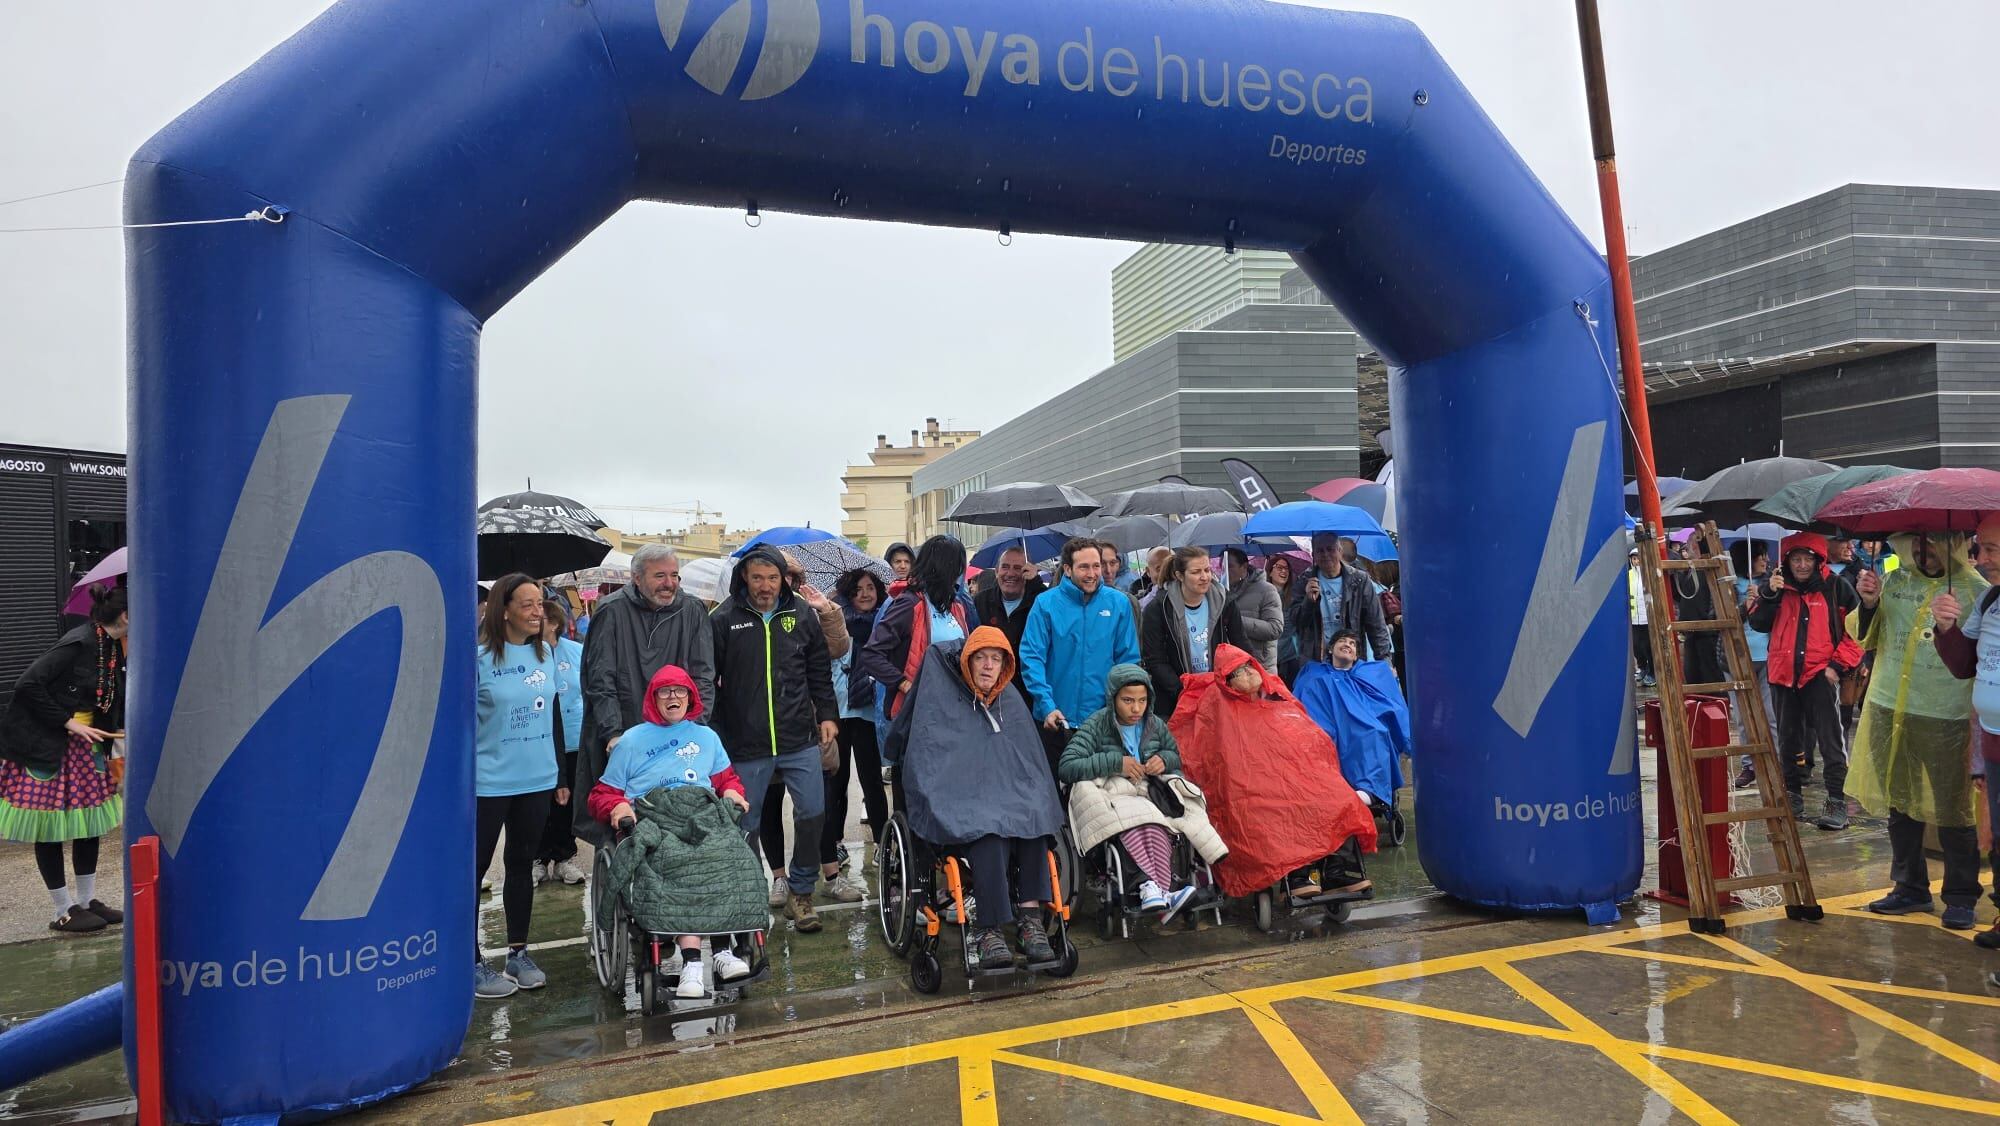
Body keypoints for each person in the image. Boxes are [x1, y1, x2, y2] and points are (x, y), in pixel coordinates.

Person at [884, 626, 1067, 971]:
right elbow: (928, 759)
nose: (987, 666)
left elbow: (1029, 762)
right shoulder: (944, 698)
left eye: (995, 659)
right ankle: (988, 929)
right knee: (990, 833)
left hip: (1008, 798)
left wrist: (1033, 799)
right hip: (960, 802)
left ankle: (1030, 922)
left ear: (1005, 665)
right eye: (980, 658)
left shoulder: (1009, 700)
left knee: (1033, 827)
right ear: (967, 661)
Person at [587, 664, 758, 997]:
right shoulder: (632, 740)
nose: (673, 697)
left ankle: (723, 953)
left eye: (680, 691)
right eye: (665, 691)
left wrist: (733, 792)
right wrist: (617, 806)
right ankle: (692, 962)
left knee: (731, 855)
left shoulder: (707, 737)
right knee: (677, 864)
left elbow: (727, 780)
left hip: (703, 813)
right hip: (656, 814)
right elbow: (602, 794)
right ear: (654, 698)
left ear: (691, 697)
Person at [1848, 533, 1989, 930]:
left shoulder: (1976, 592)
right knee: (1900, 800)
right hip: (1890, 706)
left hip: (1946, 714)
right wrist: (1869, 603)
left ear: (1954, 544)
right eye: (1916, 543)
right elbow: (1866, 636)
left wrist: (1951, 624)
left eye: (1933, 542)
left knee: (1952, 808)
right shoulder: (1895, 582)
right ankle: (1909, 886)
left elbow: (1979, 658)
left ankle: (1961, 895)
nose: (1923, 551)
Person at [1171, 645, 1375, 900]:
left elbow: (1305, 730)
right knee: (1279, 808)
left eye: (1248, 668)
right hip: (1249, 782)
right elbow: (1211, 752)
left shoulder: (1273, 692)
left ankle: (1338, 868)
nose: (1246, 675)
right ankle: (1298, 873)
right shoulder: (1215, 700)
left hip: (1293, 770)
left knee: (1338, 799)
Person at [710, 547, 841, 934]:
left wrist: (828, 714)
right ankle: (751, 897)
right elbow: (708, 679)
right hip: (745, 741)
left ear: (783, 578)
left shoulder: (801, 614)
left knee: (813, 813)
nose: (765, 587)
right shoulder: (722, 619)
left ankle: (801, 894)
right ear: (744, 579)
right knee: (744, 824)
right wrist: (716, 732)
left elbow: (819, 669)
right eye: (757, 578)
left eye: (772, 578)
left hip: (798, 735)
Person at [0, 586, 128, 933]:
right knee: (50, 828)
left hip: (85, 749)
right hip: (50, 745)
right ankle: (63, 910)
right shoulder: (78, 643)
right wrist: (68, 721)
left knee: (89, 826)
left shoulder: (111, 645)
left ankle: (87, 901)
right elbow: (28, 684)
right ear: (127, 617)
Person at [1058, 664, 1227, 921]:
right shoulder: (1096, 725)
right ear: (1113, 698)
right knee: (1140, 820)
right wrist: (1116, 763)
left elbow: (1174, 756)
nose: (1136, 708)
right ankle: (1156, 887)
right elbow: (1068, 766)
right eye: (1127, 701)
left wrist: (1163, 759)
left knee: (1157, 822)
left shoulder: (1155, 724)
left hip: (1148, 793)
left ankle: (1158, 890)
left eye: (1142, 701)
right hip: (1114, 794)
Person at [574, 544, 716, 847]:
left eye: (674, 575)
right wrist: (612, 732)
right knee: (625, 821)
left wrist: (696, 726)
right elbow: (600, 678)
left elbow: (704, 675)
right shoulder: (611, 611)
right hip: (627, 731)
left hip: (678, 732)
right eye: (660, 575)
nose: (669, 584)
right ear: (636, 578)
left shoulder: (692, 610)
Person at [472, 574, 566, 999]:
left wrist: (561, 775)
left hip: (538, 779)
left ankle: (518, 953)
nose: (537, 611)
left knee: (521, 864)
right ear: (503, 609)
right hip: (489, 782)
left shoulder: (546, 655)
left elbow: (555, 717)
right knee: (472, 873)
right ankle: (471, 961)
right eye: (526, 604)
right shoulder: (477, 661)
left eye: (540, 603)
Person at [753, 552, 851, 906]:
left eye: (793, 576)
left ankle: (829, 874)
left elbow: (838, 649)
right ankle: (779, 878)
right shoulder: (740, 613)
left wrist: (827, 611)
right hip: (761, 731)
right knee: (768, 806)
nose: (787, 583)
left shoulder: (805, 611)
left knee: (816, 806)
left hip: (807, 725)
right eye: (783, 576)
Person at [1745, 534, 1862, 827]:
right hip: (1782, 675)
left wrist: (1836, 666)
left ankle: (1836, 801)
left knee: (1831, 740)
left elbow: (1859, 631)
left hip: (1820, 674)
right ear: (1786, 561)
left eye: (1807, 559)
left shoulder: (1837, 587)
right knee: (1788, 739)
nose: (1801, 565)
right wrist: (1768, 594)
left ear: (1818, 560)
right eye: (1795, 559)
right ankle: (1792, 795)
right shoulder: (1775, 586)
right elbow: (1758, 623)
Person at [1929, 514, 2000, 949]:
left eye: (1991, 548)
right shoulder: (1990, 600)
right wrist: (1946, 626)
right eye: (1979, 548)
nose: (1981, 558)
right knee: (1997, 838)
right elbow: (1963, 665)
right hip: (1993, 739)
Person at [1019, 537, 1142, 769]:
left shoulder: (1119, 603)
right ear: (1067, 569)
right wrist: (1046, 705)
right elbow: (1032, 658)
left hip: (1103, 722)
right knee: (1057, 795)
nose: (1093, 573)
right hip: (1055, 720)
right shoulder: (1045, 604)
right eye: (1084, 567)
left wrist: (1123, 709)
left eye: (1096, 566)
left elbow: (1128, 662)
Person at [820, 567, 891, 901]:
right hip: (836, 712)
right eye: (858, 589)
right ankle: (835, 844)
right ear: (848, 594)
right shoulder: (834, 621)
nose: (865, 594)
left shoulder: (885, 621)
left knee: (872, 781)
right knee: (836, 781)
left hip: (866, 712)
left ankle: (881, 842)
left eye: (870, 588)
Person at [1141, 547, 1248, 718]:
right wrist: (1183, 691)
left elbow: (1241, 645)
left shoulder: (1224, 601)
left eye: (1207, 570)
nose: (1204, 577)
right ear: (1179, 575)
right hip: (1175, 699)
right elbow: (1154, 659)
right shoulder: (1158, 608)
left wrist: (1241, 677)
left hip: (1218, 693)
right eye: (1196, 572)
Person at [535, 598, 588, 885]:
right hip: (539, 741)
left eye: (540, 618)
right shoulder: (527, 655)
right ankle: (539, 859)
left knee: (568, 802)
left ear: (553, 624)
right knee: (541, 802)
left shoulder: (577, 652)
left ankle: (565, 857)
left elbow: (588, 691)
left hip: (573, 739)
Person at [1293, 532, 1393, 666]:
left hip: (1350, 660)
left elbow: (1376, 624)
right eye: (1320, 550)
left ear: (1340, 551)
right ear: (1313, 555)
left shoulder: (1360, 580)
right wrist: (1308, 601)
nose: (1325, 554)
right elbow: (1296, 622)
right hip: (1316, 661)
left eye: (1330, 549)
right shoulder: (1305, 580)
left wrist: (1385, 663)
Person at [972, 545, 1047, 703]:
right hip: (989, 693)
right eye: (1005, 567)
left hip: (1029, 693)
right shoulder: (980, 602)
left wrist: (1036, 583)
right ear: (996, 571)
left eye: (1018, 568)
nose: (1010, 573)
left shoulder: (1039, 603)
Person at [1727, 543, 1775, 790]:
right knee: (1744, 717)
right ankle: (1749, 766)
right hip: (1737, 658)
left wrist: (1766, 597)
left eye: (1766, 556)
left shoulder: (1772, 582)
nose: (1766, 560)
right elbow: (1718, 618)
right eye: (1760, 556)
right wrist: (1742, 607)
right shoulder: (1728, 583)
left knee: (1770, 715)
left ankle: (1774, 764)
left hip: (1768, 658)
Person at [1220, 549, 1284, 673]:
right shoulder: (1222, 593)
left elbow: (1275, 628)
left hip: (1260, 667)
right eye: (1222, 567)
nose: (1225, 572)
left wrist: (1236, 621)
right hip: (1233, 667)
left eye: (1230, 567)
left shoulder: (1266, 590)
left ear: (1244, 567)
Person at [1264, 554, 1304, 685]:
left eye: (1287, 568)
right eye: (1279, 567)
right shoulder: (1263, 596)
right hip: (1269, 656)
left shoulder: (1295, 596)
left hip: (1291, 656)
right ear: (1270, 572)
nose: (1283, 571)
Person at [1628, 548, 1656, 689]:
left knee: (1648, 646)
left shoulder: (1649, 574)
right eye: (1634, 558)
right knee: (1637, 646)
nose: (1636, 561)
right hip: (1634, 617)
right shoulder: (1629, 575)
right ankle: (1642, 667)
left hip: (1647, 618)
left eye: (1638, 558)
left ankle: (1652, 672)